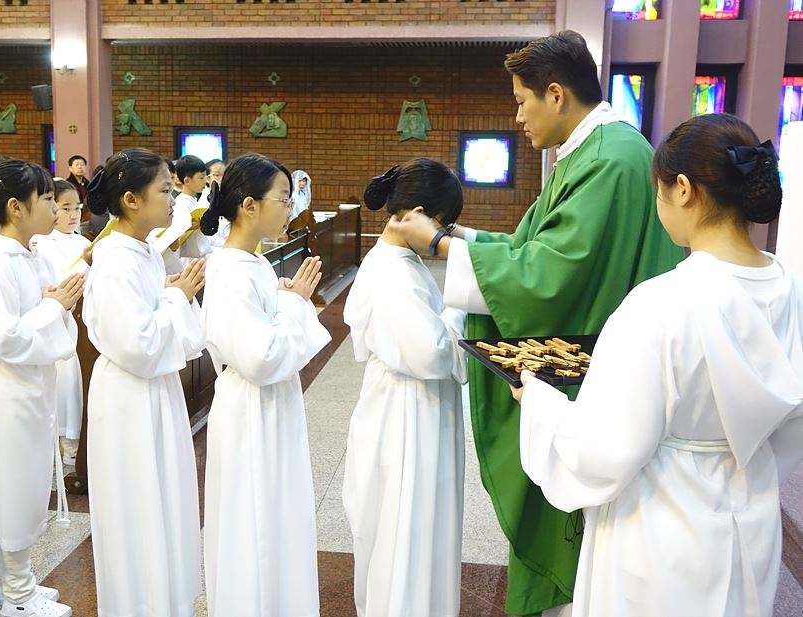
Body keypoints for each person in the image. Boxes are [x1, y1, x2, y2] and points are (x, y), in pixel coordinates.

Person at [388, 30, 683, 617]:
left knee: (584, 552)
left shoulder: (608, 159)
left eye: (522, 101)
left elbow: (548, 274)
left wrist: (442, 243)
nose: (517, 116)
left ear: (556, 94)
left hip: (597, 377)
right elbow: (530, 246)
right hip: (597, 359)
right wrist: (457, 236)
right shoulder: (590, 151)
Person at [512, 113, 803, 616]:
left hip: (660, 526)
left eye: (659, 191)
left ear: (683, 190)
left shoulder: (660, 302)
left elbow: (606, 450)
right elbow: (788, 429)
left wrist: (539, 402)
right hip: (750, 515)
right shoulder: (790, 290)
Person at [200, 153, 329, 617]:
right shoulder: (230, 270)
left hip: (271, 403)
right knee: (254, 524)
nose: (291, 208)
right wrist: (294, 304)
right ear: (249, 205)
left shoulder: (252, 262)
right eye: (284, 199)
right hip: (250, 408)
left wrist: (284, 300)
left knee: (277, 517)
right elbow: (260, 357)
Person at [83, 148, 206, 617]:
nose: (173, 200)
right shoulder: (116, 260)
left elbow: (154, 321)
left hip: (154, 389)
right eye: (166, 191)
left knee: (163, 498)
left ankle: (164, 601)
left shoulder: (144, 250)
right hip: (129, 395)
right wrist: (177, 297)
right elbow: (138, 343)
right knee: (137, 505)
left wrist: (171, 293)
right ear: (131, 200)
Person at [343, 159, 468, 617]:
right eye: (443, 224)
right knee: (406, 529)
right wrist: (463, 308)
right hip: (406, 415)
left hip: (411, 405)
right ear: (415, 215)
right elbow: (430, 353)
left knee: (416, 527)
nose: (442, 236)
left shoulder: (398, 260)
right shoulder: (393, 272)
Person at [0, 157, 80, 617]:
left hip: (29, 386)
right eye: (47, 199)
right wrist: (53, 308)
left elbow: (51, 321)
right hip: (4, 390)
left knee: (24, 485)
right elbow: (3, 336)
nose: (55, 208)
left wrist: (58, 307)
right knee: (10, 488)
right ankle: (17, 596)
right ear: (16, 207)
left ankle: (9, 582)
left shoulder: (33, 254)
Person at [30, 178, 89, 466]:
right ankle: (65, 439)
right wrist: (87, 264)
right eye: (66, 208)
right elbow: (56, 285)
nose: (73, 215)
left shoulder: (85, 242)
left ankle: (77, 438)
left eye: (77, 207)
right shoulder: (40, 242)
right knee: (66, 378)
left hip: (82, 323)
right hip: (57, 323)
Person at [157, 155, 211, 273]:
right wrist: (186, 227)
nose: (205, 181)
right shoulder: (181, 204)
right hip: (186, 262)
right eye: (201, 177)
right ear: (187, 181)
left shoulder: (194, 201)